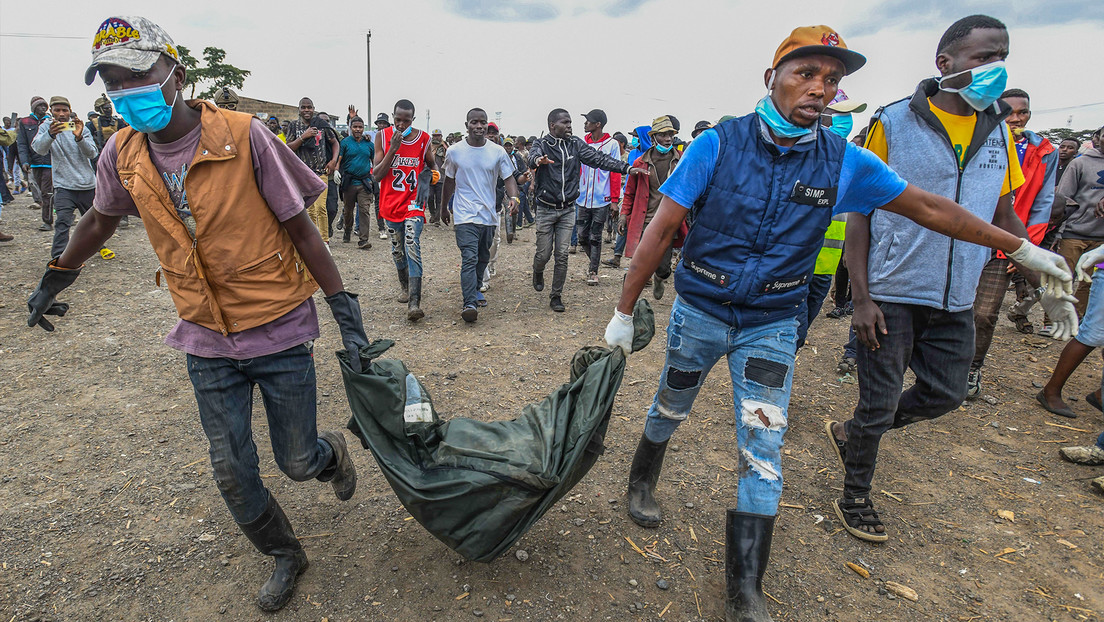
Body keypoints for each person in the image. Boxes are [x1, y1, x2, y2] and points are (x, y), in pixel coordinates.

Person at [601, 24, 1072, 622]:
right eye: (806, 73)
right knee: (672, 400)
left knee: (764, 446)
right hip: (701, 310)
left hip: (771, 323)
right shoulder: (718, 144)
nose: (820, 88)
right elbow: (660, 230)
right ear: (770, 78)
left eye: (832, 79)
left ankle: (746, 592)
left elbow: (930, 207)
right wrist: (622, 312)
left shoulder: (846, 161)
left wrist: (1023, 250)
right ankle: (644, 478)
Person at [27, 15, 365, 612]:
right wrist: (56, 276)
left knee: (295, 459)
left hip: (278, 329)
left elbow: (302, 229)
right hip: (205, 338)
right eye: (109, 80)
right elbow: (99, 219)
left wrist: (345, 312)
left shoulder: (245, 135)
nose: (121, 90)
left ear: (175, 75)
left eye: (134, 75)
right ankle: (285, 553)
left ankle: (329, 455)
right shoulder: (121, 151)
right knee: (232, 470)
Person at [822, 16, 1078, 547]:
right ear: (946, 64)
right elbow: (862, 214)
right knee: (878, 398)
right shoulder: (893, 122)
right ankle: (855, 492)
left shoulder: (999, 133)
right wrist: (862, 297)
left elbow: (1003, 214)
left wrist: (1041, 272)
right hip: (892, 290)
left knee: (946, 393)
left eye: (1002, 56)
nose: (995, 68)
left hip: (957, 293)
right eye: (984, 57)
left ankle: (851, 434)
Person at [965, 88, 1058, 398]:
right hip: (967, 237)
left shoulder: (1043, 151)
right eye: (1010, 112)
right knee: (953, 307)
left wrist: (1025, 250)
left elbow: (1042, 204)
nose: (1016, 118)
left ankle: (972, 371)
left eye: (1023, 112)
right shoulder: (980, 139)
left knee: (984, 313)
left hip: (1006, 243)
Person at [528, 108, 644, 312]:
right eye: (565, 122)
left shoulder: (576, 144)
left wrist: (626, 169)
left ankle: (556, 296)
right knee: (543, 254)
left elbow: (599, 159)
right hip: (546, 209)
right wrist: (538, 160)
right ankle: (538, 270)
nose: (570, 125)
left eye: (570, 122)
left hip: (567, 210)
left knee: (562, 255)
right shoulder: (542, 143)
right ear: (552, 126)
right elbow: (532, 157)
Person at [796, 92, 867, 348]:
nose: (845, 121)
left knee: (803, 326)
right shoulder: (800, 152)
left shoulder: (853, 158)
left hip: (827, 263)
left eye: (847, 116)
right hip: (797, 263)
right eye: (838, 115)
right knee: (794, 331)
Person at [441, 108, 520, 322]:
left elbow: (509, 178)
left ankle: (475, 288)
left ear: (487, 125)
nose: (479, 126)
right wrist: (442, 207)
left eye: (482, 122)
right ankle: (469, 303)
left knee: (483, 256)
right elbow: (448, 180)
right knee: (469, 256)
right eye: (474, 122)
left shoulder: (497, 152)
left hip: (488, 214)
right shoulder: (455, 151)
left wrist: (515, 198)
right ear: (466, 124)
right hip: (464, 214)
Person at [371, 98, 438, 322]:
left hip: (414, 203)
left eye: (406, 120)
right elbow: (377, 174)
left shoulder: (423, 139)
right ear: (393, 117)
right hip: (390, 204)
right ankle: (405, 286)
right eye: (397, 120)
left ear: (413, 119)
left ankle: (414, 302)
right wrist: (393, 149)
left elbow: (432, 166)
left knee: (411, 243)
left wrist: (429, 177)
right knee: (398, 250)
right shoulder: (382, 136)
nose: (401, 124)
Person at [620, 116, 682, 300]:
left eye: (670, 134)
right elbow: (630, 192)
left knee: (663, 267)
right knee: (639, 260)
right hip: (645, 219)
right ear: (654, 138)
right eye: (663, 135)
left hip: (668, 220)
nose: (668, 139)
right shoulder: (641, 163)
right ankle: (629, 298)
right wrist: (624, 214)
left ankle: (659, 278)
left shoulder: (680, 162)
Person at [31, 96, 99, 259]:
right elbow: (39, 149)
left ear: (70, 111)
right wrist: (50, 134)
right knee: (62, 222)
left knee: (95, 224)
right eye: (57, 110)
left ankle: (98, 247)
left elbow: (93, 153)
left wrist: (79, 137)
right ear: (52, 112)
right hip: (63, 186)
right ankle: (58, 258)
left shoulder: (80, 127)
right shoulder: (46, 127)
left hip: (87, 185)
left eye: (64, 110)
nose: (61, 114)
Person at [1051, 126, 1104, 317]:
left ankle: (1078, 320)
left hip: (1101, 240)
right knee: (1063, 278)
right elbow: (1064, 200)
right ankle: (1053, 320)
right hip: (1074, 232)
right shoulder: (1080, 164)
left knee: (1089, 282)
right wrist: (1058, 232)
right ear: (1098, 138)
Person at [575, 109, 624, 285]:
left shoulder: (611, 145)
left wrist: (614, 200)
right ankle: (593, 260)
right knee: (582, 236)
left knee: (595, 236)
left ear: (598, 125)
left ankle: (593, 271)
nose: (585, 124)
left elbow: (615, 172)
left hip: (601, 199)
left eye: (588, 121)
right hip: (582, 198)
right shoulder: (581, 143)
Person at [285, 97, 340, 245]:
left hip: (321, 171)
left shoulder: (321, 125)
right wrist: (303, 137)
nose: (307, 110)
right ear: (299, 109)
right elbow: (287, 148)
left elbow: (335, 143)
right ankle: (312, 241)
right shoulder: (294, 126)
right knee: (308, 209)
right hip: (302, 174)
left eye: (309, 107)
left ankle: (324, 241)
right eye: (303, 107)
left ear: (313, 108)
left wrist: (334, 160)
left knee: (321, 207)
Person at [604, 123, 653, 270]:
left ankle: (642, 266)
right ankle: (617, 256)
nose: (634, 140)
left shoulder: (653, 156)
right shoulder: (633, 154)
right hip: (629, 194)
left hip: (646, 198)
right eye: (633, 137)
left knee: (644, 231)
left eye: (636, 137)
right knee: (623, 223)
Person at [337, 116, 377, 248]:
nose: (358, 129)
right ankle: (347, 230)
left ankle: (363, 239)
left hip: (364, 182)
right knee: (348, 211)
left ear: (363, 128)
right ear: (351, 128)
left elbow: (375, 162)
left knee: (364, 210)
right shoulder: (345, 143)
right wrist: (336, 171)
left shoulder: (369, 144)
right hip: (349, 183)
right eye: (355, 127)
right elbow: (339, 160)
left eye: (360, 127)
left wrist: (377, 178)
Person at [17, 96, 53, 231]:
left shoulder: (50, 121)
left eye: (45, 106)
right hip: (35, 162)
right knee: (39, 190)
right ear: (34, 108)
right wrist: (24, 161)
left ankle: (48, 221)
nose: (43, 108)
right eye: (40, 106)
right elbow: (22, 143)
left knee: (47, 192)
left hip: (51, 161)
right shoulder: (25, 122)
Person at [428, 129, 448, 225]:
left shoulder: (445, 148)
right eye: (434, 135)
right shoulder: (428, 147)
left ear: (441, 136)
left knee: (439, 199)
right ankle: (432, 214)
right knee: (430, 197)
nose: (436, 137)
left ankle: (437, 219)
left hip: (442, 177)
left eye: (438, 136)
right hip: (430, 176)